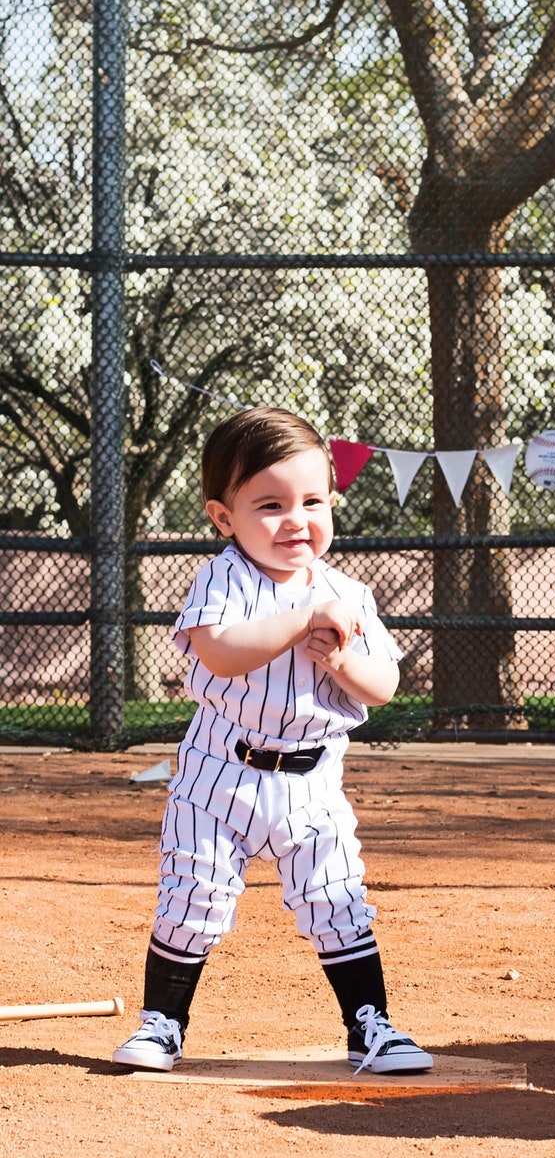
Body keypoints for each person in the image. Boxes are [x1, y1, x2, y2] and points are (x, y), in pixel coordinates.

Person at [112, 407, 433, 1075]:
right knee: (192, 896)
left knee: (337, 898)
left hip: (312, 780)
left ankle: (369, 1026)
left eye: (312, 501)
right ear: (224, 518)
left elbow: (385, 684)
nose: (296, 520)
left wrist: (342, 662)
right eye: (270, 504)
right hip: (218, 775)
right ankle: (162, 1024)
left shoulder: (348, 592)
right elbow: (221, 652)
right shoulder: (224, 577)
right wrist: (302, 622)